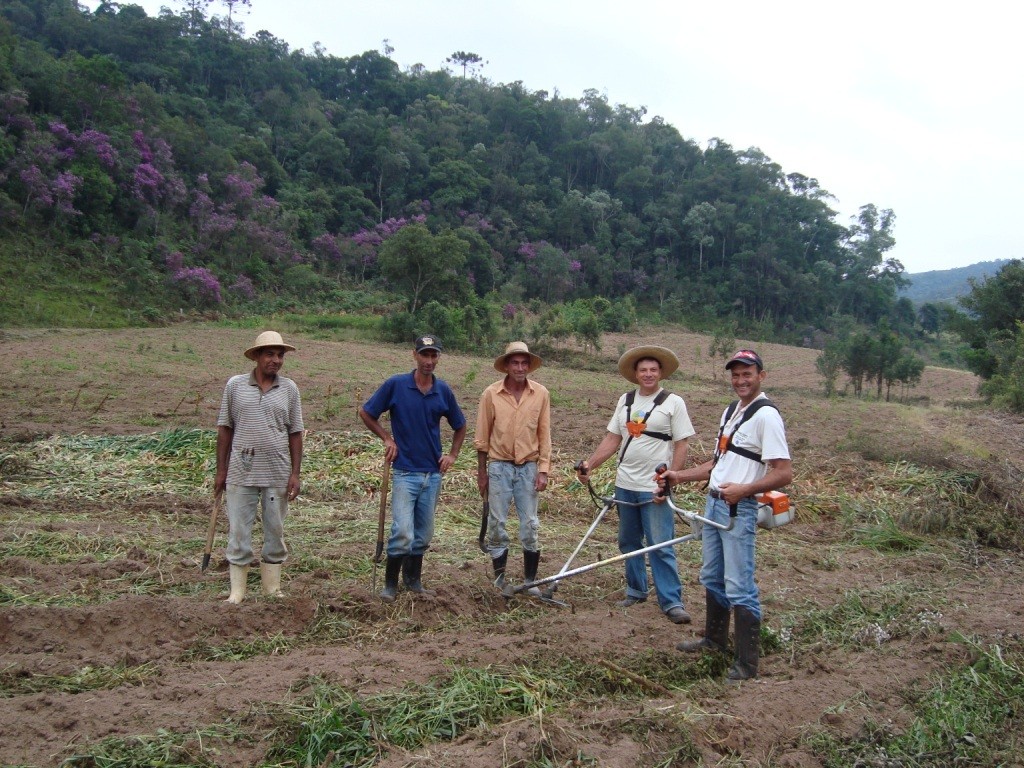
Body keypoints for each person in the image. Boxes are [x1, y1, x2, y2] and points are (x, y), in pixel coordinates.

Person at [658, 349, 792, 681]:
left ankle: (747, 664)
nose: (741, 380)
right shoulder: (731, 411)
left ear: (761, 375)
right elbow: (717, 465)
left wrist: (744, 491)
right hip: (715, 503)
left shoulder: (766, 416)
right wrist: (679, 476)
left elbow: (783, 472)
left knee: (739, 584)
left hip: (739, 508)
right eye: (736, 374)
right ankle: (715, 640)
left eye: (747, 374)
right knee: (712, 576)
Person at [575, 346, 695, 624]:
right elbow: (612, 439)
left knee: (660, 544)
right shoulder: (625, 401)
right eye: (643, 370)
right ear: (636, 374)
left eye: (653, 370)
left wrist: (671, 478)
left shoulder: (673, 402)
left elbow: (682, 443)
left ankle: (672, 601)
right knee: (628, 541)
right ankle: (636, 590)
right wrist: (590, 465)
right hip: (625, 483)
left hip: (653, 486)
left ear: (661, 373)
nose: (648, 374)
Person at [359, 335, 467, 602]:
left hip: (432, 474)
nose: (429, 361)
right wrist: (386, 437)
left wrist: (452, 455)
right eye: (424, 355)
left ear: (438, 358)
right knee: (403, 531)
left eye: (434, 356)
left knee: (424, 533)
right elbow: (366, 412)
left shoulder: (443, 391)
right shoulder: (396, 385)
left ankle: (413, 581)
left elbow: (460, 425)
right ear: (415, 355)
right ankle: (390, 585)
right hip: (405, 472)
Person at [215, 331, 304, 604]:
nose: (276, 360)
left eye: (280, 355)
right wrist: (221, 471)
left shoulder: (289, 389)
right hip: (241, 472)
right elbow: (224, 430)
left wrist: (295, 473)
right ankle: (237, 592)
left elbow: (296, 433)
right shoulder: (235, 386)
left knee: (275, 530)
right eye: (270, 354)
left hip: (277, 472)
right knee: (239, 531)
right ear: (256, 356)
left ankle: (271, 589)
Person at [475, 341, 552, 595]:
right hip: (499, 467)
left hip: (528, 467)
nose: (520, 368)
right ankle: (500, 581)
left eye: (524, 363)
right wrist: (482, 473)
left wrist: (543, 469)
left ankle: (530, 581)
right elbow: (482, 438)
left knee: (529, 523)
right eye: (515, 363)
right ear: (506, 366)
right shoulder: (491, 394)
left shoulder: (540, 393)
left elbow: (544, 434)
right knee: (497, 523)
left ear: (529, 366)